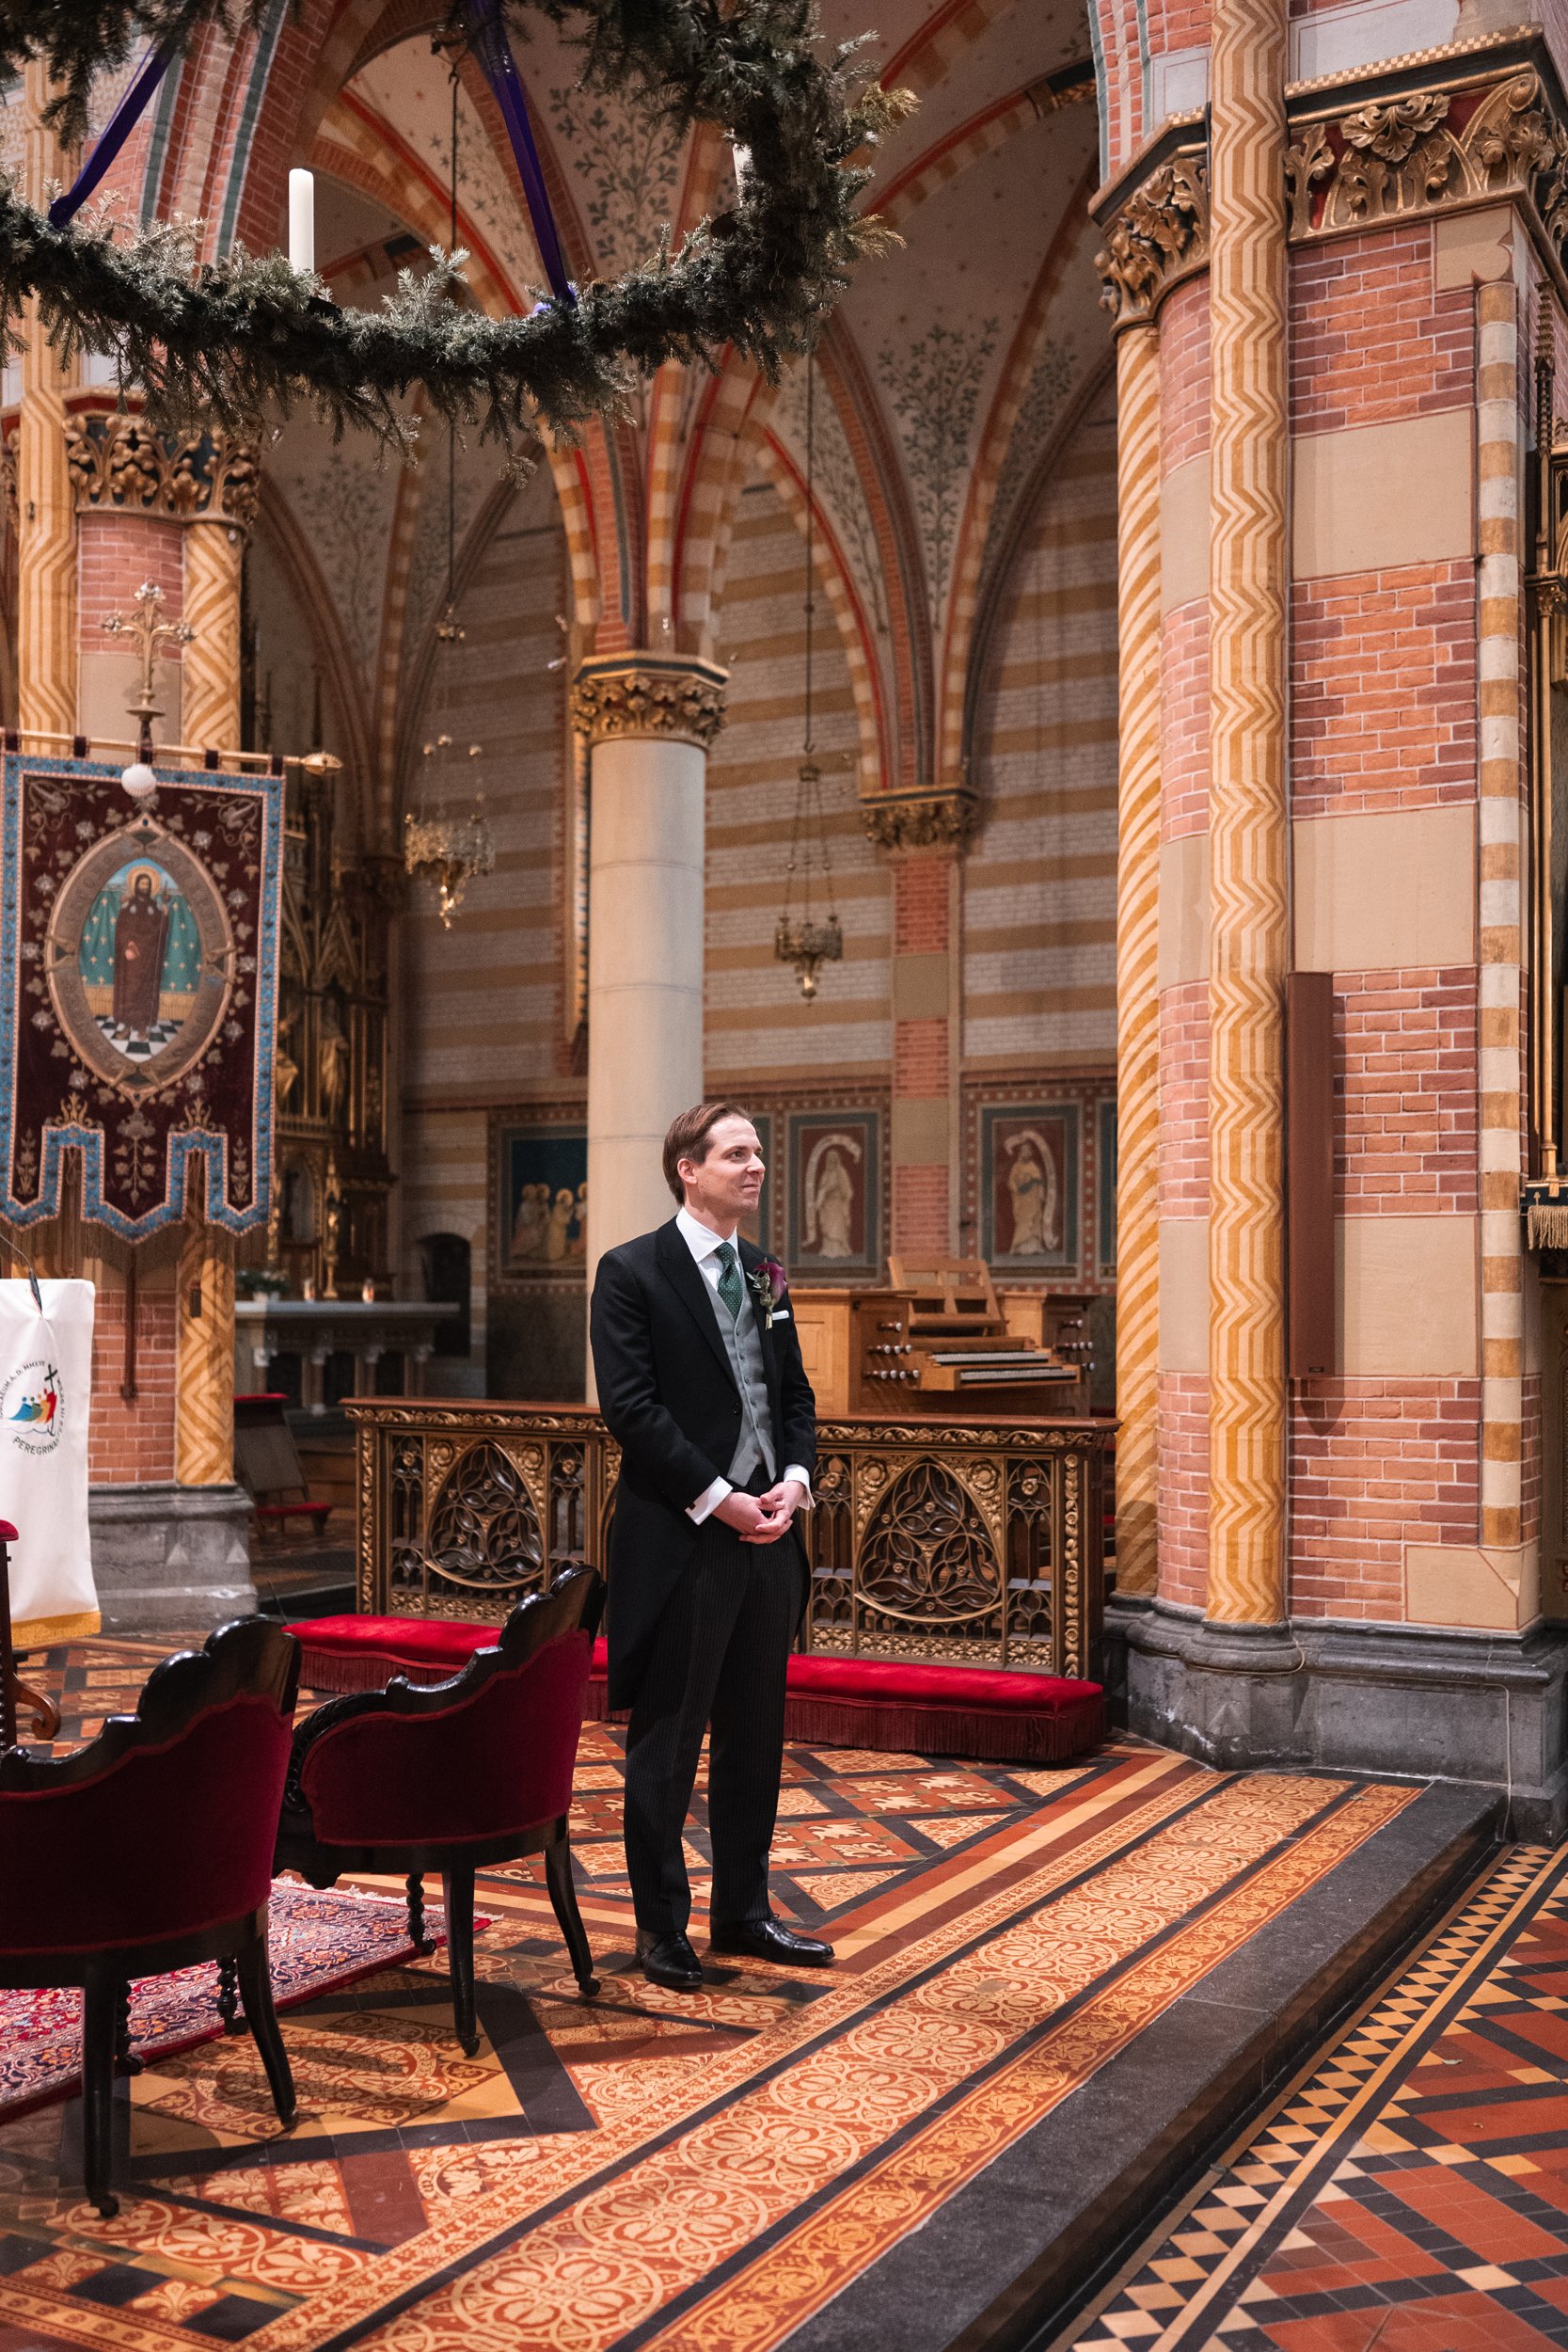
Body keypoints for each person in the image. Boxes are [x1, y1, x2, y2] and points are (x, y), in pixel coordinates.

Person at [589, 1102, 831, 1993]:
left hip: (770, 1538)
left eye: (759, 1152)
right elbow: (632, 1410)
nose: (756, 1166)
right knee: (669, 1738)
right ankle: (661, 1929)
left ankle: (743, 1911)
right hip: (683, 1538)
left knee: (754, 1735)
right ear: (687, 1168)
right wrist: (722, 1499)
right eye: (736, 1153)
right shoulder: (631, 1273)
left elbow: (794, 1395)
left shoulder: (764, 1276)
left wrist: (795, 1483)